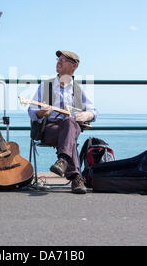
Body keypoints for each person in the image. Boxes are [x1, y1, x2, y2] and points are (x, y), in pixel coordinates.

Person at [28, 50, 97, 194]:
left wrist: (87, 115)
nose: (58, 62)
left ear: (74, 66)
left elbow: (93, 111)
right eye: (58, 59)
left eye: (63, 60)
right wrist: (41, 112)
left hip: (70, 128)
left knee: (70, 123)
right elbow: (31, 111)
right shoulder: (46, 86)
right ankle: (75, 177)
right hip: (50, 129)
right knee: (69, 135)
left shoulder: (78, 89)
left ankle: (62, 161)